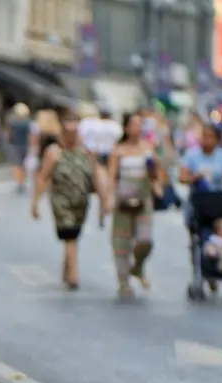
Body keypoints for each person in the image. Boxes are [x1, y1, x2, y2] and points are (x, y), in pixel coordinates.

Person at [31, 110, 105, 289]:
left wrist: (103, 202)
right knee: (69, 233)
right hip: (61, 200)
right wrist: (35, 202)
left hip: (81, 200)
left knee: (73, 235)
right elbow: (43, 177)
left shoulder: (87, 152)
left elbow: (96, 176)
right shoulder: (54, 152)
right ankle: (73, 276)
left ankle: (66, 269)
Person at [107, 113, 160, 298]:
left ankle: (137, 266)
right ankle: (123, 281)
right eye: (134, 124)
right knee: (121, 242)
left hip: (143, 197)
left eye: (140, 124)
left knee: (145, 240)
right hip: (123, 199)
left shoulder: (148, 148)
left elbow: (156, 174)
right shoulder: (118, 150)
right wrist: (108, 199)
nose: (137, 128)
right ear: (126, 128)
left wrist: (155, 172)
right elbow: (112, 176)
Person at [179, 124, 222, 292]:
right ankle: (201, 270)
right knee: (198, 238)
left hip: (219, 203)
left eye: (210, 136)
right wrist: (194, 177)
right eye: (204, 136)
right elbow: (182, 177)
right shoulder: (192, 156)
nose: (207, 140)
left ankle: (215, 266)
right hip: (199, 203)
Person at [7, 102, 32, 194]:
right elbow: (30, 135)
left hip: (16, 144)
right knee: (23, 164)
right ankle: (22, 181)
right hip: (25, 145)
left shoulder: (13, 122)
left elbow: (10, 134)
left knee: (17, 164)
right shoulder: (28, 122)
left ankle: (19, 182)